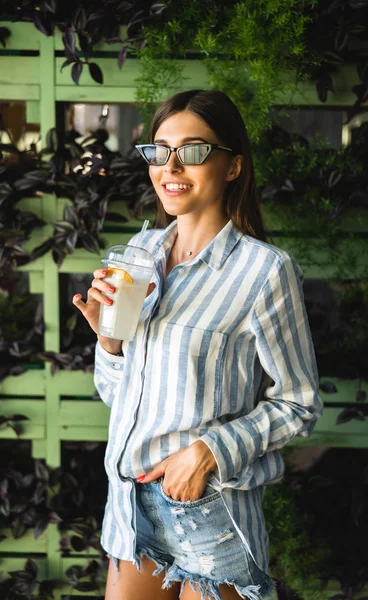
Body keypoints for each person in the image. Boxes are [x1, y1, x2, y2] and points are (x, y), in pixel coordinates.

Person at [72, 89, 323, 600]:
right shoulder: (139, 253)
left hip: (208, 509)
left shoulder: (264, 271)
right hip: (130, 506)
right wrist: (111, 341)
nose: (170, 165)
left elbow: (300, 403)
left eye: (192, 150)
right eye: (159, 150)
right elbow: (118, 396)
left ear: (232, 167)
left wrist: (210, 451)